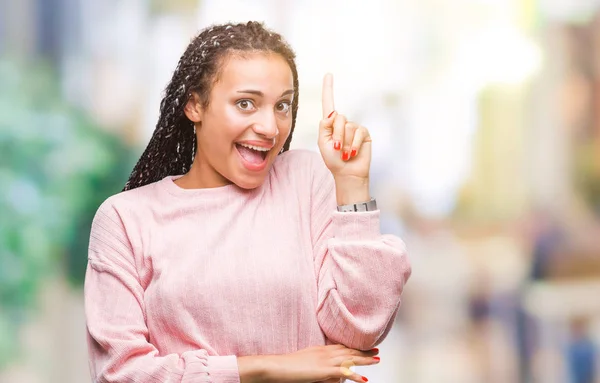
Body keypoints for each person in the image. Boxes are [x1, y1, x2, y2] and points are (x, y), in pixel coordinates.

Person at [84, 21, 411, 383]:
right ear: (195, 104)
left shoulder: (306, 180)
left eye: (282, 105)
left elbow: (359, 331)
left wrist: (351, 185)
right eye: (246, 103)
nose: (270, 127)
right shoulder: (125, 220)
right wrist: (266, 367)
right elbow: (122, 373)